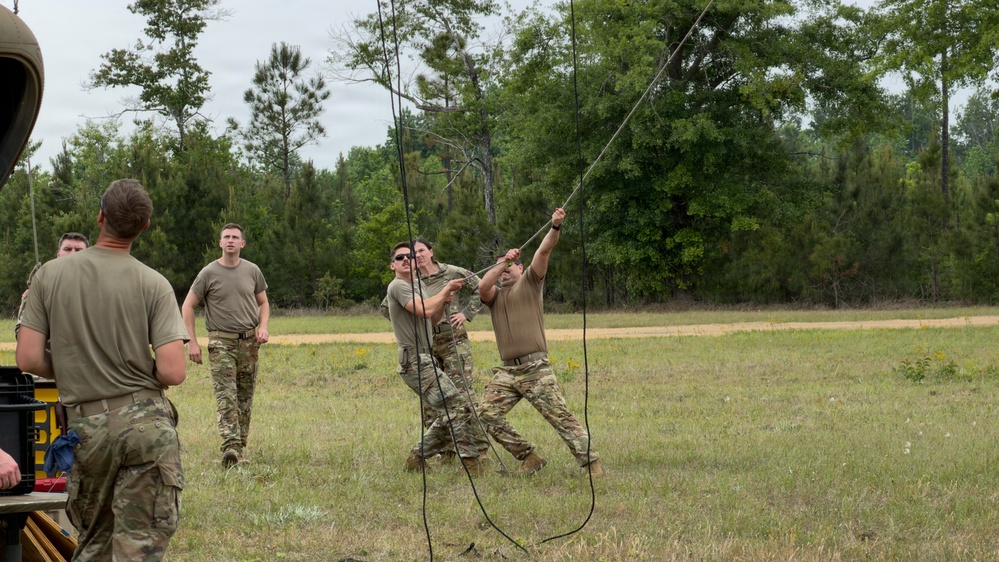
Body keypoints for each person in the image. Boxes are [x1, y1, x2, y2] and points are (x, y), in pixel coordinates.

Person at [16, 179, 189, 560]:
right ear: (144, 227)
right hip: (147, 428)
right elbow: (173, 371)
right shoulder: (155, 283)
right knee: (137, 548)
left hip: (87, 427)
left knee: (93, 544)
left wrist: (77, 371)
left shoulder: (48, 276)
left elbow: (27, 359)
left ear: (100, 218)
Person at [477, 208, 603, 477]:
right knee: (486, 413)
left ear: (520, 268)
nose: (503, 273)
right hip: (508, 372)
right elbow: (482, 288)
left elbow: (543, 253)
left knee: (559, 417)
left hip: (535, 368)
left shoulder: (531, 283)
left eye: (510, 267)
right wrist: (502, 261)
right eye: (500, 270)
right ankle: (529, 456)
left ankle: (591, 464)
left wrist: (555, 227)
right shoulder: (494, 297)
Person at [379, 238, 489, 461]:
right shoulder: (403, 284)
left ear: (431, 252)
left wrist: (465, 312)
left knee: (461, 398)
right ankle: (447, 453)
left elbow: (481, 287)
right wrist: (407, 318)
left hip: (452, 341)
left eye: (417, 252)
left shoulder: (449, 272)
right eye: (403, 257)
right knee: (438, 404)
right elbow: (396, 308)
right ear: (393, 264)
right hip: (422, 351)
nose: (412, 257)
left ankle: (476, 451)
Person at [182, 223, 270, 468]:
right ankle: (229, 447)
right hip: (221, 342)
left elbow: (263, 303)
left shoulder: (253, 271)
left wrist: (263, 327)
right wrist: (192, 342)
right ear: (220, 243)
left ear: (242, 244)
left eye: (235, 237)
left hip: (249, 342)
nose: (230, 240)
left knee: (244, 396)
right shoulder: (208, 273)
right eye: (226, 237)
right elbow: (188, 306)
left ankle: (239, 447)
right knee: (226, 396)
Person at [14, 232, 90, 337]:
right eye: (67, 249)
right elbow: (22, 334)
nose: (73, 254)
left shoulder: (99, 289)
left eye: (78, 250)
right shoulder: (41, 288)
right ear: (58, 254)